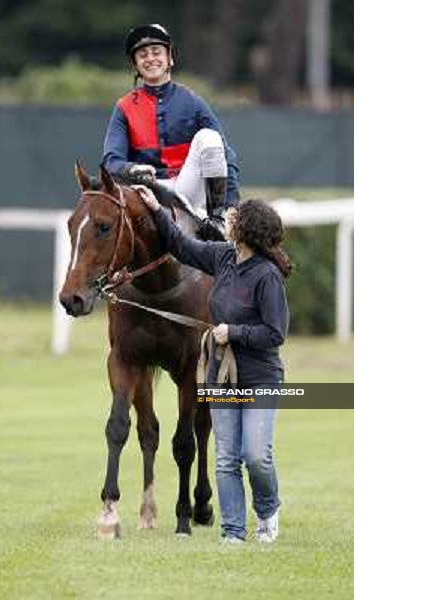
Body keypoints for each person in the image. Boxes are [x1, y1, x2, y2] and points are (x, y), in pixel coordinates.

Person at [136, 185, 292, 544]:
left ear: (247, 230)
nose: (229, 218)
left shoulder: (266, 275)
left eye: (235, 217)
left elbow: (275, 333)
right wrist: (157, 209)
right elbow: (181, 245)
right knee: (225, 458)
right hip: (221, 374)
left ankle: (267, 509)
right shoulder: (222, 256)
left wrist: (231, 331)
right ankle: (233, 532)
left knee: (255, 455)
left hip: (259, 378)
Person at [103, 23, 240, 241]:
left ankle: (216, 221)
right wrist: (132, 169)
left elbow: (225, 154)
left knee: (210, 138)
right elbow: (110, 162)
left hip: (188, 189)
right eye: (142, 55)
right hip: (149, 191)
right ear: (135, 65)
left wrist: (232, 205)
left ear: (170, 59)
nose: (150, 59)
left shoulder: (192, 101)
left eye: (156, 52)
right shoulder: (123, 107)